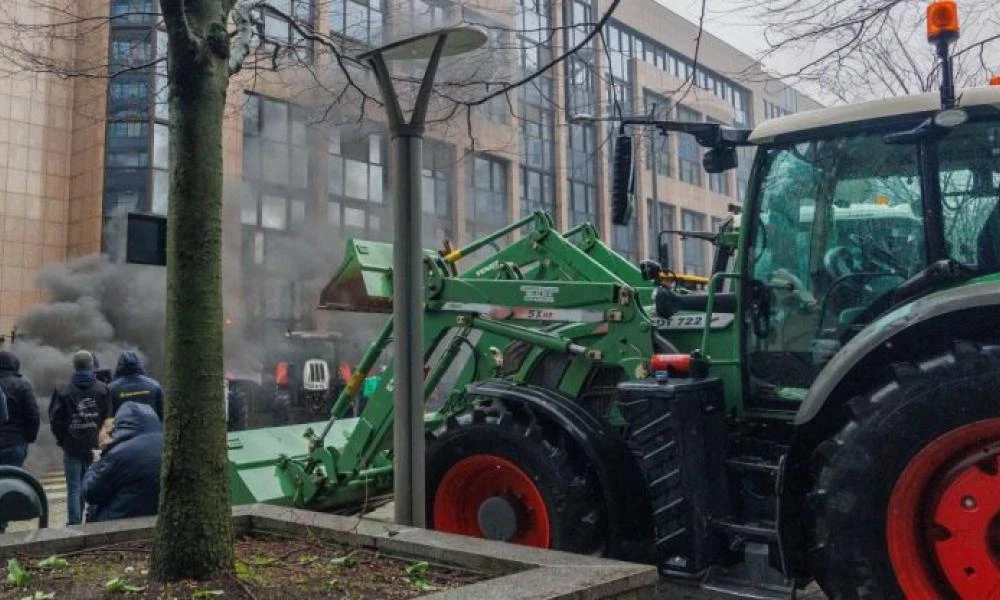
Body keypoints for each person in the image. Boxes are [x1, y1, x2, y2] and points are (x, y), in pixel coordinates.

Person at [49, 350, 113, 526]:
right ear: (92, 365)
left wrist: (63, 440)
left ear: (74, 366)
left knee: (74, 488)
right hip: (95, 446)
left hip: (71, 446)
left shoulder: (62, 389)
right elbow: (108, 420)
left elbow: (55, 419)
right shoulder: (103, 389)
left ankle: (74, 523)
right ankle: (92, 519)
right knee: (94, 484)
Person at [83, 402, 162, 522]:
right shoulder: (167, 444)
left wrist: (97, 460)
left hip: (122, 523)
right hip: (159, 518)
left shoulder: (120, 453)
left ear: (122, 424)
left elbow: (90, 492)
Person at [0, 350, 40, 467]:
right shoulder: (22, 385)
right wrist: (29, 437)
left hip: (15, 440)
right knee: (13, 480)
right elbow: (33, 415)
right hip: (15, 441)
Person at [108, 351, 163, 420]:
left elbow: (109, 417)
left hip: (124, 429)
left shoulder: (111, 389)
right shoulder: (154, 385)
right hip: (151, 429)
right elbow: (162, 412)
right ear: (138, 364)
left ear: (119, 366)